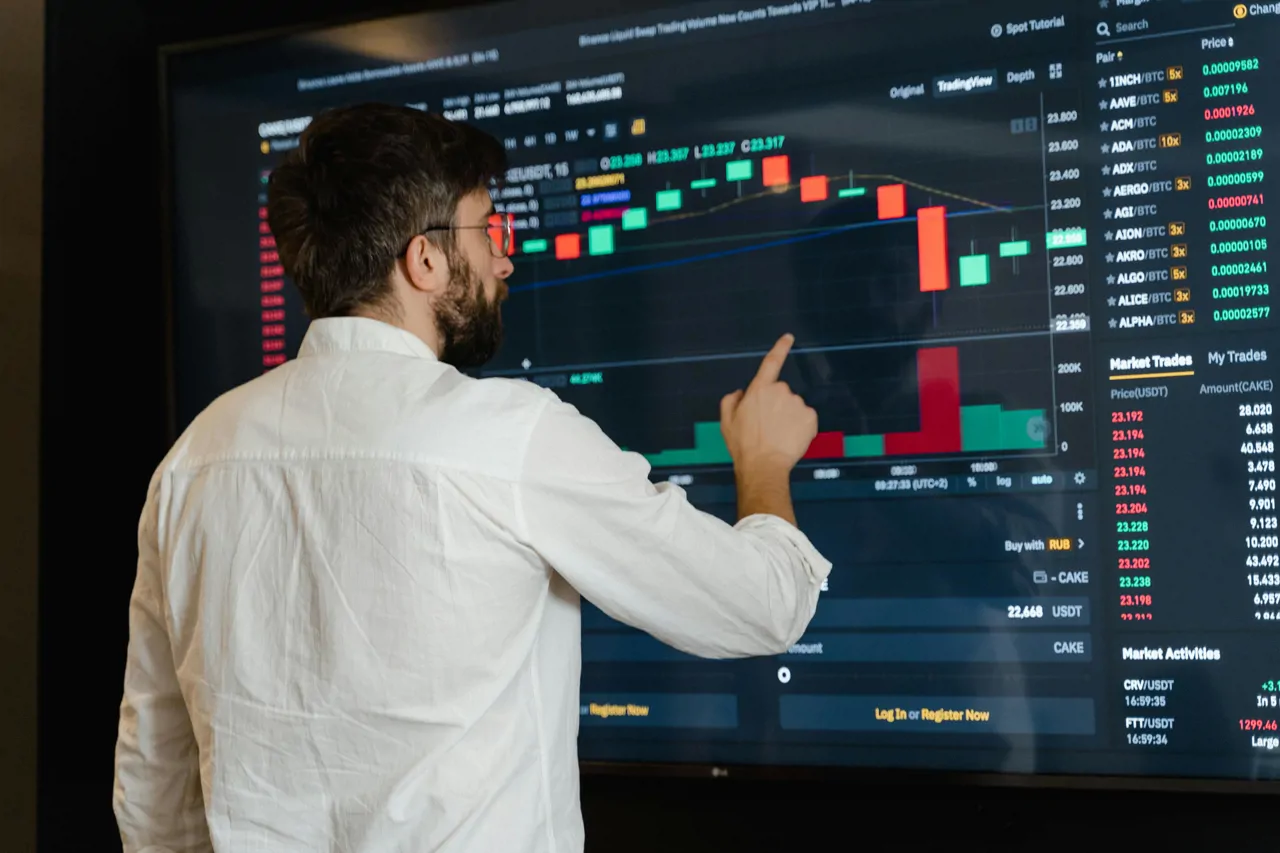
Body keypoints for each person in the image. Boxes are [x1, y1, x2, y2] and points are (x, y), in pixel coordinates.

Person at [113, 103, 831, 852]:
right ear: (423, 260)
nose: (503, 260)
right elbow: (761, 605)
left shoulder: (193, 460)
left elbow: (155, 783)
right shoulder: (510, 436)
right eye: (488, 229)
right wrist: (764, 462)